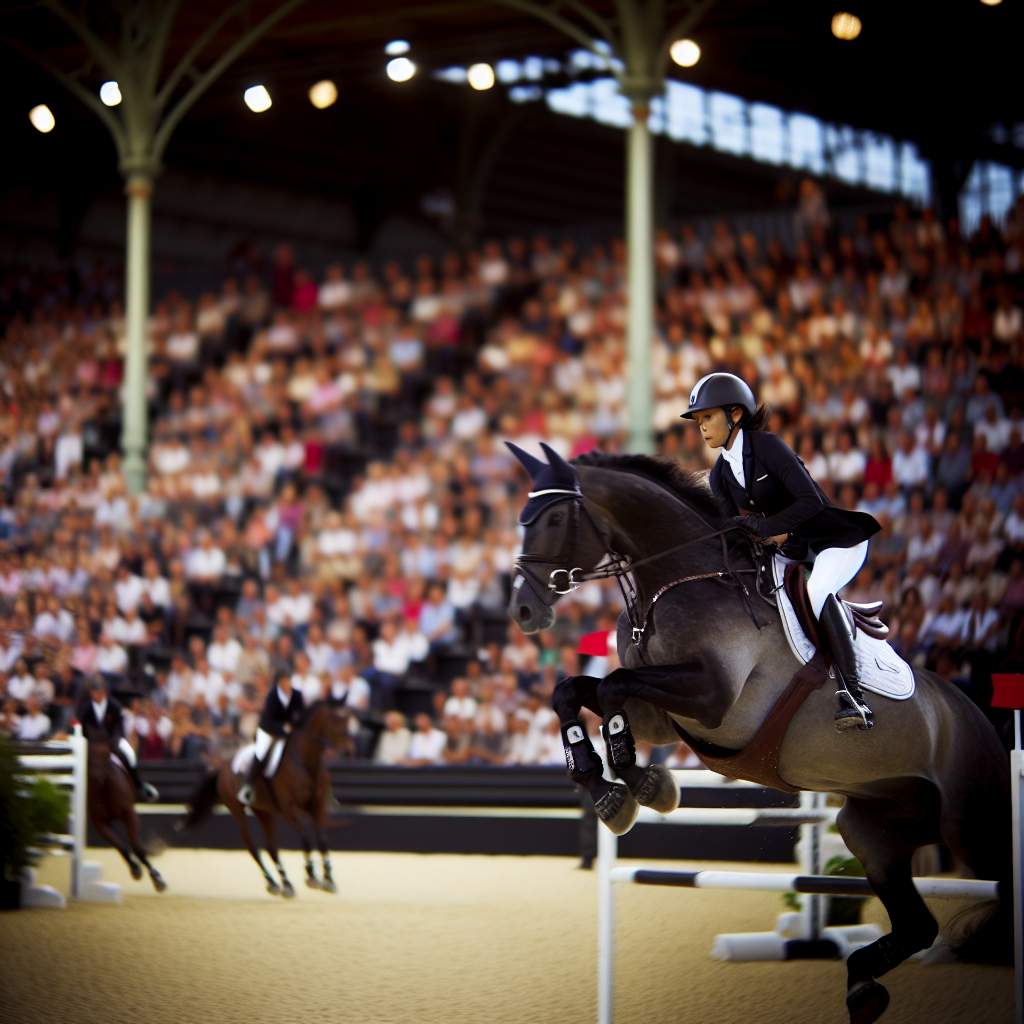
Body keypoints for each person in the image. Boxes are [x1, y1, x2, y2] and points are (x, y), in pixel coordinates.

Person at [681, 371, 881, 730]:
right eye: (698, 422)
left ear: (735, 415)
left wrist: (760, 527)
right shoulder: (720, 475)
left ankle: (854, 695)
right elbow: (731, 532)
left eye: (708, 418)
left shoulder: (768, 447)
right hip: (793, 547)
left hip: (834, 540)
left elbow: (811, 502)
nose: (702, 428)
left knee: (817, 590)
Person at [75, 675, 159, 801]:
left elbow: (118, 728)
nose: (96, 694)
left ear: (104, 692)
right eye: (94, 691)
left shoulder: (114, 706)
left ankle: (139, 786)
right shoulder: (85, 708)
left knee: (129, 753)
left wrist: (112, 741)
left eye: (99, 691)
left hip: (111, 741)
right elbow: (82, 727)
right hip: (91, 743)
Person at [238, 669, 304, 806]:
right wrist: (285, 728)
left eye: (289, 680)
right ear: (279, 683)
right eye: (285, 681)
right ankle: (248, 786)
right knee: (261, 753)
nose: (288, 684)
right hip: (269, 731)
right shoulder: (272, 697)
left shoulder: (297, 695)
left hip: (289, 732)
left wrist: (295, 725)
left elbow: (300, 714)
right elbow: (269, 720)